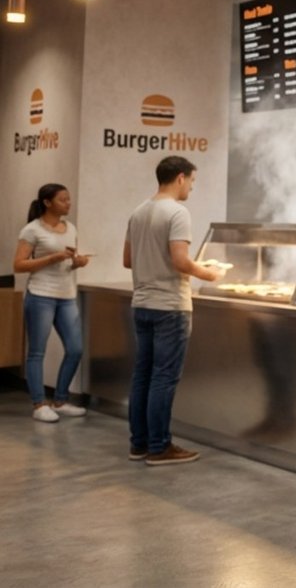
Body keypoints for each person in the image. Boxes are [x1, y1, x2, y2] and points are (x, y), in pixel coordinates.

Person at [122, 156, 225, 465]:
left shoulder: (138, 212)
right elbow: (180, 260)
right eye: (192, 182)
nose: (191, 188)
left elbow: (128, 260)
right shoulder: (177, 212)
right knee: (164, 378)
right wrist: (208, 273)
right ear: (180, 177)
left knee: (143, 375)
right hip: (170, 306)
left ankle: (139, 444)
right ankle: (159, 447)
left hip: (142, 303)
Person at [14, 183, 92, 422]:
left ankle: (60, 399)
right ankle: (39, 404)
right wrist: (53, 257)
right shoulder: (32, 230)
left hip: (66, 295)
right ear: (47, 203)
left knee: (76, 348)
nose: (68, 203)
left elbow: (68, 261)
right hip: (40, 295)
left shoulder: (70, 228)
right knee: (37, 351)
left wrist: (77, 262)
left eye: (68, 199)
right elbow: (18, 265)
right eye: (63, 200)